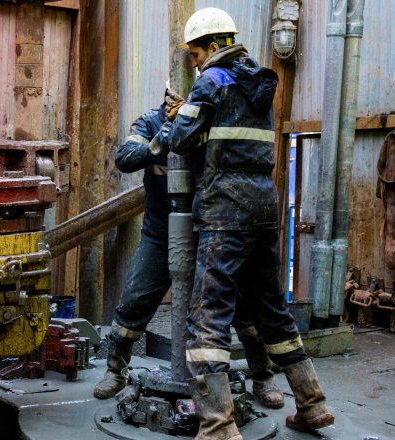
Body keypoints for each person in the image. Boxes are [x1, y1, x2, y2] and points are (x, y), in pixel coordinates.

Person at [159, 7, 334, 440]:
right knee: (273, 311)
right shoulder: (256, 80)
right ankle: (312, 405)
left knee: (208, 316)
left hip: (225, 212)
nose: (194, 61)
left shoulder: (211, 80)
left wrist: (181, 112)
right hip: (264, 207)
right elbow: (230, 133)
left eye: (196, 53)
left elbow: (182, 139)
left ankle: (218, 425)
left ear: (215, 46)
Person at [93, 94, 286, 412]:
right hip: (160, 236)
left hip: (211, 236)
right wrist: (165, 136)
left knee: (244, 312)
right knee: (133, 302)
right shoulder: (149, 123)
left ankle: (263, 377)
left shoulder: (210, 125)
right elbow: (126, 157)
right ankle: (116, 372)